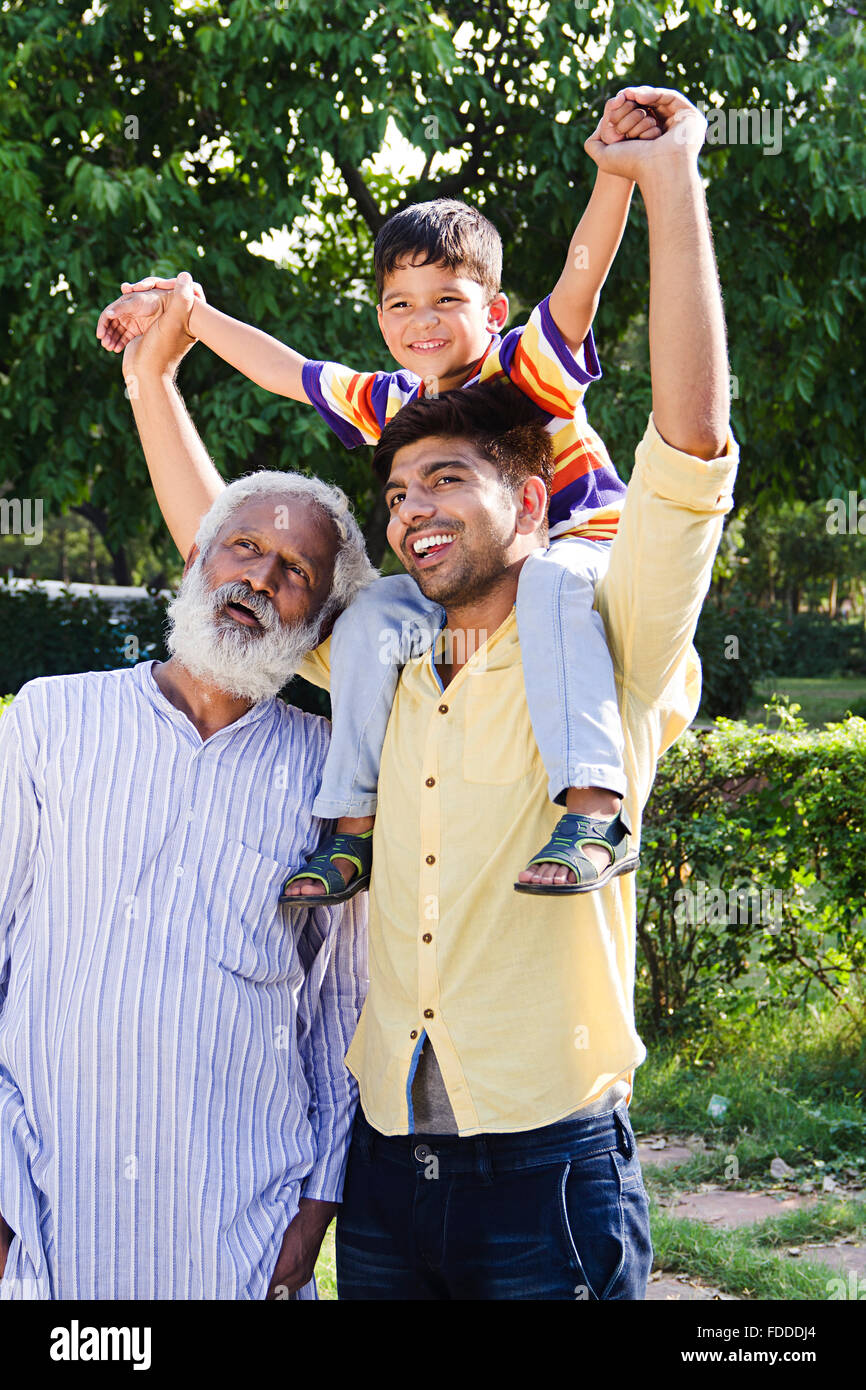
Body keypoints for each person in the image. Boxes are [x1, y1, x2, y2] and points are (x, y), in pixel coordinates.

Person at [119, 83, 738, 1300]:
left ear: (528, 492)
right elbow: (232, 552)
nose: (412, 509)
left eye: (448, 480)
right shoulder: (381, 652)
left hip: (548, 1174)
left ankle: (590, 808)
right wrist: (164, 359)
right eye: (397, 493)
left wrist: (659, 181)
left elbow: (687, 440)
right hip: (388, 1165)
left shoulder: (612, 635)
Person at [96, 93, 668, 903]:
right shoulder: (393, 398)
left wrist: (614, 175)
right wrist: (189, 313)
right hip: (469, 575)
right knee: (372, 615)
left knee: (548, 580)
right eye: (401, 304)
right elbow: (286, 371)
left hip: (577, 551)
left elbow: (581, 281)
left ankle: (595, 812)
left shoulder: (525, 369)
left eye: (446, 301)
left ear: (494, 311)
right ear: (380, 316)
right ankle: (352, 831)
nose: (421, 321)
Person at [0, 314, 376, 1299]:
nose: (258, 576)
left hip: (233, 1221)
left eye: (294, 572)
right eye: (241, 548)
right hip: (41, 1205)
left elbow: (342, 1004)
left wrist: (316, 1207)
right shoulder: (50, 719)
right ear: (196, 558)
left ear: (322, 621)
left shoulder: (337, 771)